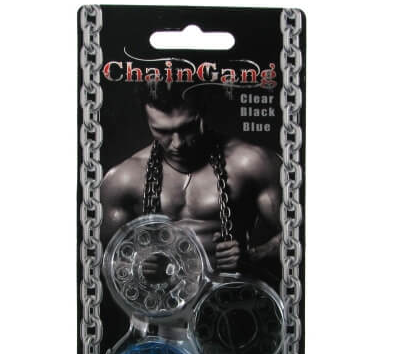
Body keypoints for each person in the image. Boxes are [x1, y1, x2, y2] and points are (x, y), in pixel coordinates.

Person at [100, 82, 282, 277]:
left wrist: (254, 256)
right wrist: (135, 267)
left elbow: (298, 235)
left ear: (204, 112)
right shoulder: (123, 179)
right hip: (163, 295)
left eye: (188, 128)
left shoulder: (253, 162)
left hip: (230, 292)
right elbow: (102, 258)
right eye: (162, 131)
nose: (177, 144)